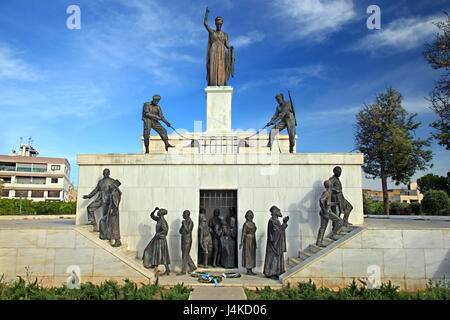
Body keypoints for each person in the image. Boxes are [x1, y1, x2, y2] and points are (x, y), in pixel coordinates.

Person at [204, 7, 234, 86]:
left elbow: (226, 45)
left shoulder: (225, 35)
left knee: (221, 66)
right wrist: (206, 14)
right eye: (217, 23)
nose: (219, 25)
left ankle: (221, 82)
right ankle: (213, 82)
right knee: (213, 66)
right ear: (215, 24)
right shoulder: (212, 32)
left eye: (220, 23)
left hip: (222, 51)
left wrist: (230, 47)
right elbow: (205, 24)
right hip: (213, 50)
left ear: (222, 24)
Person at [143, 207, 171, 275]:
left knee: (162, 254)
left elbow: (165, 230)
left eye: (159, 211)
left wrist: (159, 234)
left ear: (161, 213)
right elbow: (152, 216)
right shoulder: (159, 219)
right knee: (151, 251)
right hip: (157, 239)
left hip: (160, 240)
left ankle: (167, 270)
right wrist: (155, 210)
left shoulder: (162, 221)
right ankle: (154, 264)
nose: (158, 212)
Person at [263, 205, 289, 279]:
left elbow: (278, 230)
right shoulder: (273, 221)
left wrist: (284, 223)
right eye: (278, 211)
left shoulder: (275, 221)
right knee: (273, 257)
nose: (280, 212)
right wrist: (284, 224)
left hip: (277, 244)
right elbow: (276, 232)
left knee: (276, 257)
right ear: (275, 212)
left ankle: (278, 271)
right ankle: (272, 273)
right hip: (274, 245)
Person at [316, 180, 344, 247]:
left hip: (326, 212)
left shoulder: (328, 192)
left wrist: (335, 203)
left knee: (323, 227)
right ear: (330, 185)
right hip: (327, 212)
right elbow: (321, 200)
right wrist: (324, 210)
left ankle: (319, 241)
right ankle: (334, 234)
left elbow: (328, 203)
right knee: (340, 221)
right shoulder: (326, 193)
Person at [99, 179, 122, 247]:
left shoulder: (114, 193)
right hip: (113, 212)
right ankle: (108, 236)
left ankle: (116, 240)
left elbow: (116, 203)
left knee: (113, 226)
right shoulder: (115, 192)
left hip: (113, 213)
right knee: (111, 225)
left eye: (112, 185)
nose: (110, 186)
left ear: (114, 186)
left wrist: (113, 210)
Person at [178, 210, 197, 275]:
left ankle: (183, 271)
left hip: (187, 241)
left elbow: (188, 231)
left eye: (183, 214)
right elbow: (180, 232)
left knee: (184, 255)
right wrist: (182, 225)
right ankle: (193, 266)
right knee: (186, 254)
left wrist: (184, 224)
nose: (182, 215)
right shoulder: (185, 222)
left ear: (187, 215)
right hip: (183, 240)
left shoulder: (190, 222)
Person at [240, 210, 257, 275]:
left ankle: (251, 269)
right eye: (249, 215)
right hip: (247, 241)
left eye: (251, 215)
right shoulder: (246, 224)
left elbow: (254, 233)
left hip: (252, 240)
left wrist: (255, 242)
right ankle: (248, 269)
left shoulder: (253, 224)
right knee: (248, 254)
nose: (250, 216)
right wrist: (241, 242)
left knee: (252, 255)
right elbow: (243, 233)